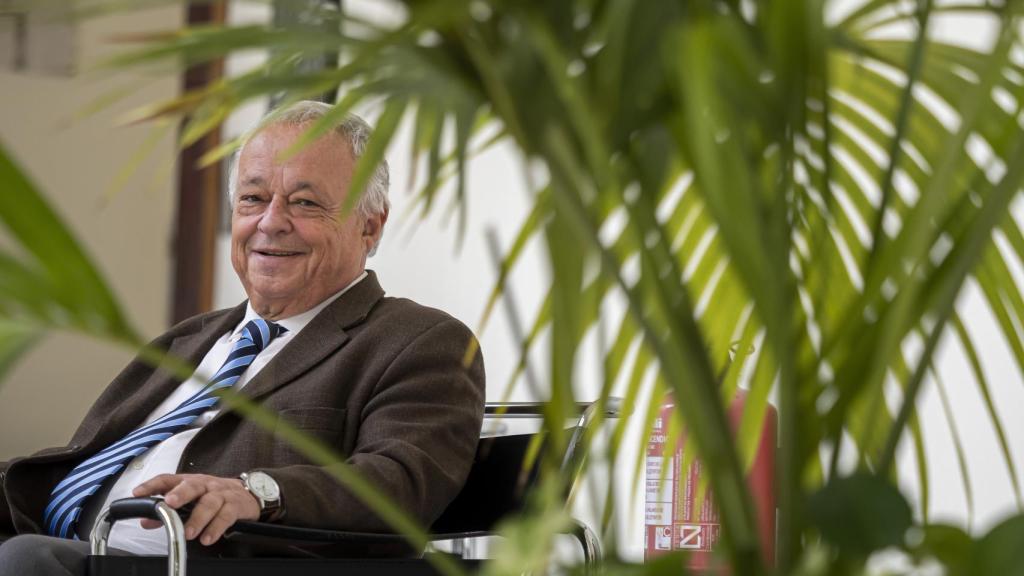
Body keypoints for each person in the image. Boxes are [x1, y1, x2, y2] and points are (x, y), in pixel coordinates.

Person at [0, 100, 486, 575]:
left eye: (305, 202)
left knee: (24, 561)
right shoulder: (189, 339)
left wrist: (259, 493)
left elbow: (400, 482)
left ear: (370, 226)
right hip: (60, 540)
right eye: (253, 199)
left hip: (202, 561)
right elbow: (85, 460)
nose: (271, 222)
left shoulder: (420, 341)